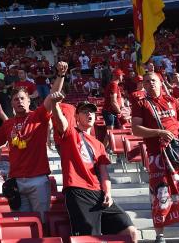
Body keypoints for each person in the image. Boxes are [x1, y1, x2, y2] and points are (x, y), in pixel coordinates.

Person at [50, 95, 137, 241]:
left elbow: (104, 173)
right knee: (89, 238)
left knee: (130, 232)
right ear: (77, 116)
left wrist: (108, 192)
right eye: (84, 112)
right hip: (78, 192)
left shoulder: (100, 145)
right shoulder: (70, 133)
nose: (89, 114)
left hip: (99, 194)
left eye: (91, 112)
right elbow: (60, 121)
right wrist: (55, 104)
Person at [131, 71, 179, 243]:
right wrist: (159, 132)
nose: (150, 84)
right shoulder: (141, 103)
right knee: (159, 195)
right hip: (157, 156)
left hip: (177, 156)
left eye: (153, 80)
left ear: (161, 82)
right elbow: (136, 129)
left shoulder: (173, 101)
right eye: (147, 82)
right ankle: (159, 236)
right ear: (144, 86)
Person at [0, 61, 68, 221]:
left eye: (22, 98)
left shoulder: (38, 116)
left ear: (28, 101)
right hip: (17, 181)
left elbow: (52, 96)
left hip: (38, 179)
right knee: (23, 224)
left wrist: (60, 75)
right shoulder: (7, 124)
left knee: (41, 222)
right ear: (12, 104)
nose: (19, 101)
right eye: (15, 99)